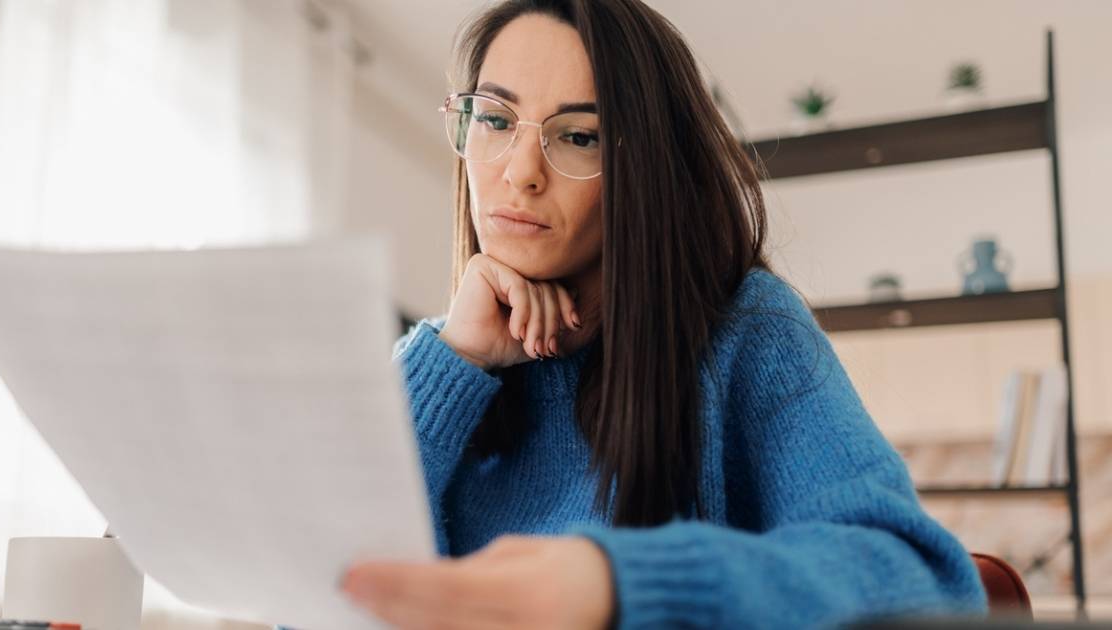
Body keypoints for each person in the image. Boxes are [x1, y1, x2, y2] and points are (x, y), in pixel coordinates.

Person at [338, 1, 988, 627]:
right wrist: (454, 359)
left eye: (579, 136)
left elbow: (929, 588)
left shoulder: (746, 330)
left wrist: (618, 586)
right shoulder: (441, 358)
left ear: (640, 164)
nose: (521, 172)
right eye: (496, 120)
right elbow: (317, 604)